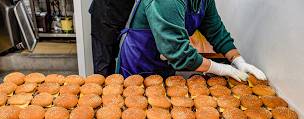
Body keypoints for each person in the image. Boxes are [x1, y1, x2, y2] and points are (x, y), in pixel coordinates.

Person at [116, 0, 267, 81]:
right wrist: (220, 69)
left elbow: (215, 29)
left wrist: (238, 60)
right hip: (139, 62)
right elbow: (178, 53)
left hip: (165, 62)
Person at [89, 0, 134, 76]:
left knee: (111, 62)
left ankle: (111, 85)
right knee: (102, 67)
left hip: (118, 17)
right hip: (104, 17)